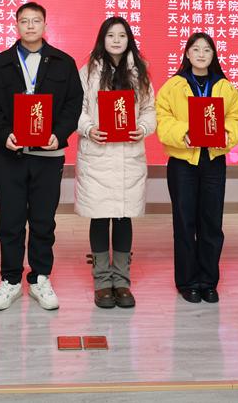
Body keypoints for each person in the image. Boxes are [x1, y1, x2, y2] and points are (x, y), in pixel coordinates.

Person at [0, 2, 83, 311]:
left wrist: (58, 135)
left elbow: (74, 104)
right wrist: (4, 134)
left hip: (48, 155)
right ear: (16, 25)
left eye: (36, 21)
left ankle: (40, 277)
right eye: (24, 21)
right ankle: (10, 279)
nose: (30, 26)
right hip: (9, 155)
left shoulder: (64, 63)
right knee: (10, 220)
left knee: (43, 221)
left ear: (45, 25)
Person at [155, 32, 238, 304]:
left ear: (214, 54)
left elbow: (237, 119)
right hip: (183, 162)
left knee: (212, 222)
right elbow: (163, 119)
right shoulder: (173, 86)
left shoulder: (225, 87)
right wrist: (184, 133)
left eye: (207, 49)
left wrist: (228, 134)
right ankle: (187, 282)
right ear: (187, 54)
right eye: (196, 49)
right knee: (184, 222)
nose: (201, 54)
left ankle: (208, 281)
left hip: (213, 161)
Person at [75, 16, 155, 309]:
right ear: (102, 39)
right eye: (111, 35)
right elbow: (77, 108)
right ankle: (101, 282)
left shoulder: (139, 72)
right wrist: (88, 128)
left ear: (129, 39)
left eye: (122, 35)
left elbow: (149, 109)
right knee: (99, 216)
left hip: (128, 154)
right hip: (97, 154)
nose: (117, 40)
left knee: (123, 216)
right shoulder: (88, 72)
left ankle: (121, 281)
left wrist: (143, 128)